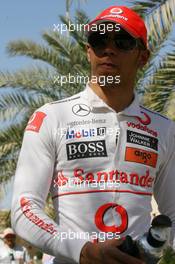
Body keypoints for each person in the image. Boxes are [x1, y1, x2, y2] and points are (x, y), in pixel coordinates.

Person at [11, 5, 175, 264]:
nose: (108, 49)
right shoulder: (51, 117)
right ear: (89, 52)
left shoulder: (164, 129)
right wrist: (84, 251)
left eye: (122, 41)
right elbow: (23, 209)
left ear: (143, 57)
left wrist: (151, 247)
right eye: (99, 41)